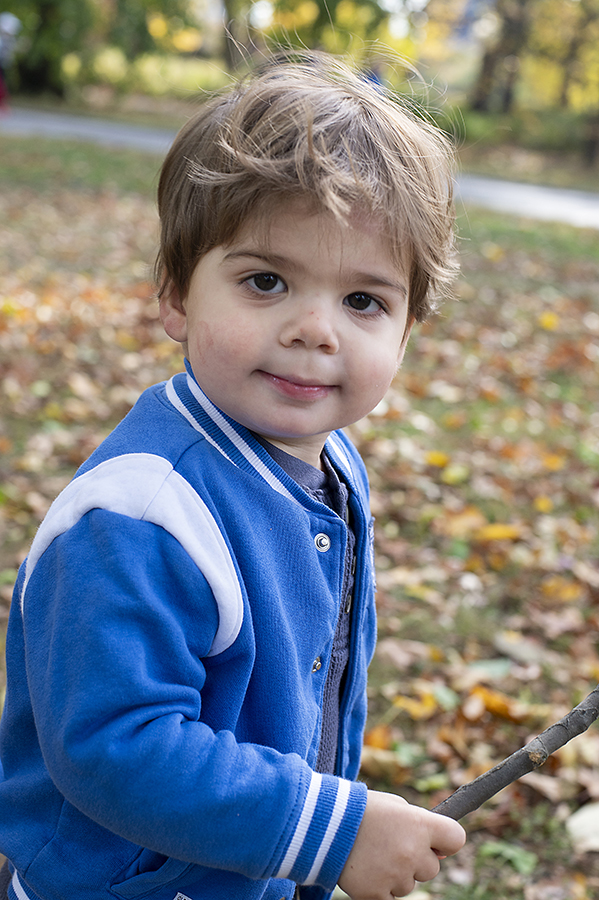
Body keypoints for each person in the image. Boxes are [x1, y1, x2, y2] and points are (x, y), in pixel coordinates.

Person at [0, 51, 465, 900]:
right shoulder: (144, 511)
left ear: (406, 332)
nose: (315, 330)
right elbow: (115, 744)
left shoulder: (324, 464)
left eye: (364, 302)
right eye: (265, 281)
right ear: (177, 293)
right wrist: (332, 830)